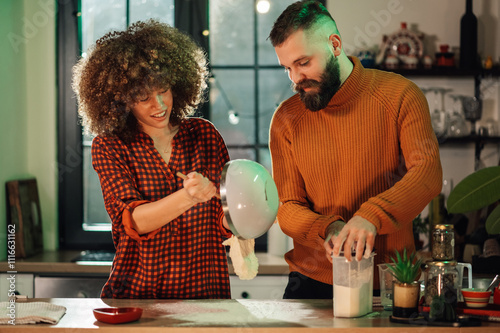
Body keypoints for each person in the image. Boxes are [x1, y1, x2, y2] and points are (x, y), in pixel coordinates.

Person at [268, 0, 443, 299]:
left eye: (303, 63)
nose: (295, 79)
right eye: (287, 68)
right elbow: (287, 207)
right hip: (311, 284)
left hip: (391, 282)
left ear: (335, 45)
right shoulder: (286, 118)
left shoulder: (400, 95)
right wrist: (329, 228)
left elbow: (427, 173)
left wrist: (371, 216)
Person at [72, 20, 233, 299]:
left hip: (205, 294)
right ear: (121, 100)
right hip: (140, 296)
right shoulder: (110, 146)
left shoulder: (204, 135)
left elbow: (225, 221)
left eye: (163, 91)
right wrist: (190, 196)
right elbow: (134, 221)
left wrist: (246, 212)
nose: (158, 106)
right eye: (143, 97)